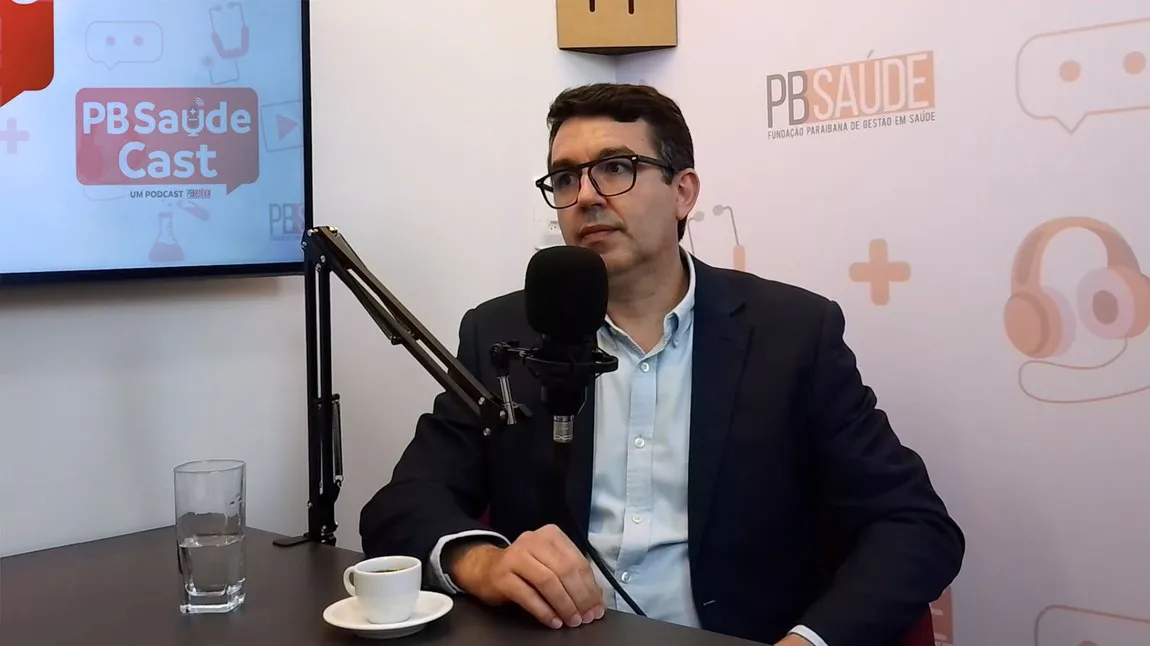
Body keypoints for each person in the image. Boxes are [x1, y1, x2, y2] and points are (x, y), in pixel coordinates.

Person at [359, 82, 964, 646]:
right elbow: (403, 503)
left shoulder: (791, 335)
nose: (586, 196)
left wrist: (805, 642)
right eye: (565, 178)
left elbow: (913, 525)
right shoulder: (501, 333)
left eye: (616, 168)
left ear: (684, 192)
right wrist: (482, 562)